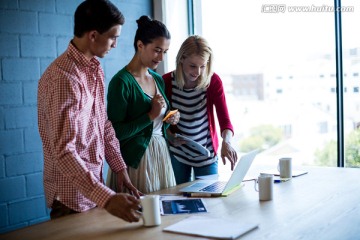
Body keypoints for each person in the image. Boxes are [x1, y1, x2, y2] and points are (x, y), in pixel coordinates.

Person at [37, 0, 141, 222]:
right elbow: (64, 151)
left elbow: (103, 124)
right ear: (93, 35)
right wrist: (108, 198)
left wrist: (119, 167)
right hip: (70, 199)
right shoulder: (63, 79)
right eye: (113, 37)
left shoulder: (95, 70)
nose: (115, 45)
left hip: (95, 190)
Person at [107, 16, 179, 193]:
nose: (161, 57)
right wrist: (150, 116)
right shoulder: (121, 82)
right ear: (140, 45)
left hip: (161, 156)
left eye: (165, 52)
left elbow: (158, 120)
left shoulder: (157, 79)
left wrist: (170, 116)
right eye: (157, 50)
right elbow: (114, 134)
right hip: (136, 162)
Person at [163, 35, 238, 184]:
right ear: (181, 59)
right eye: (192, 66)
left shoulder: (213, 81)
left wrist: (227, 142)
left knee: (209, 198)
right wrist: (170, 137)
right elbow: (160, 122)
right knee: (178, 198)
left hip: (206, 154)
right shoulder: (166, 82)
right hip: (178, 153)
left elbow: (225, 121)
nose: (197, 72)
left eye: (203, 66)